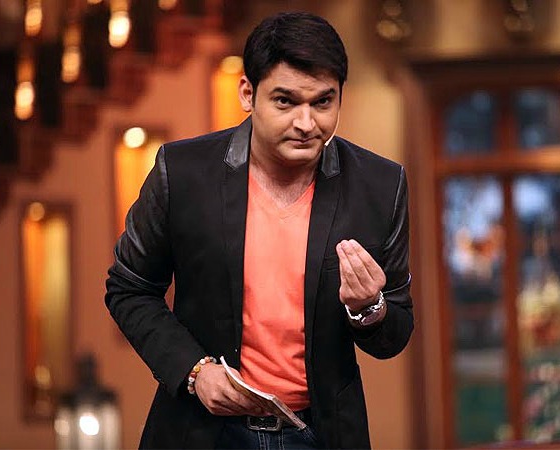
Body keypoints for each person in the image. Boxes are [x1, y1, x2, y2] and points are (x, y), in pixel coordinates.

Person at [105, 11, 413, 450]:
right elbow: (128, 288)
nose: (306, 123)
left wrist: (369, 308)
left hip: (320, 433)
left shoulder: (379, 186)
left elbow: (394, 334)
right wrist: (195, 371)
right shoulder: (184, 172)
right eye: (285, 101)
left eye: (323, 103)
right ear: (248, 93)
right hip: (203, 431)